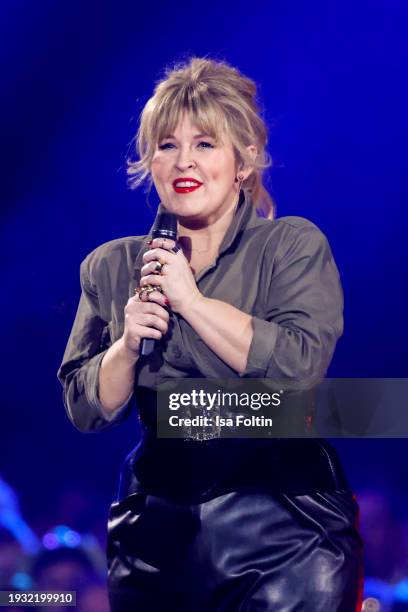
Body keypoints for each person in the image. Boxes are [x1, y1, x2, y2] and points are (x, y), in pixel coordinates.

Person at [58, 57, 364, 611]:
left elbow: (299, 369)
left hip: (283, 522)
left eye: (204, 144)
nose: (183, 161)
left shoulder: (289, 246)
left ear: (244, 160)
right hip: (156, 527)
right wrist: (126, 346)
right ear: (148, 160)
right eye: (167, 145)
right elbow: (85, 409)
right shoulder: (111, 265)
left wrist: (192, 302)